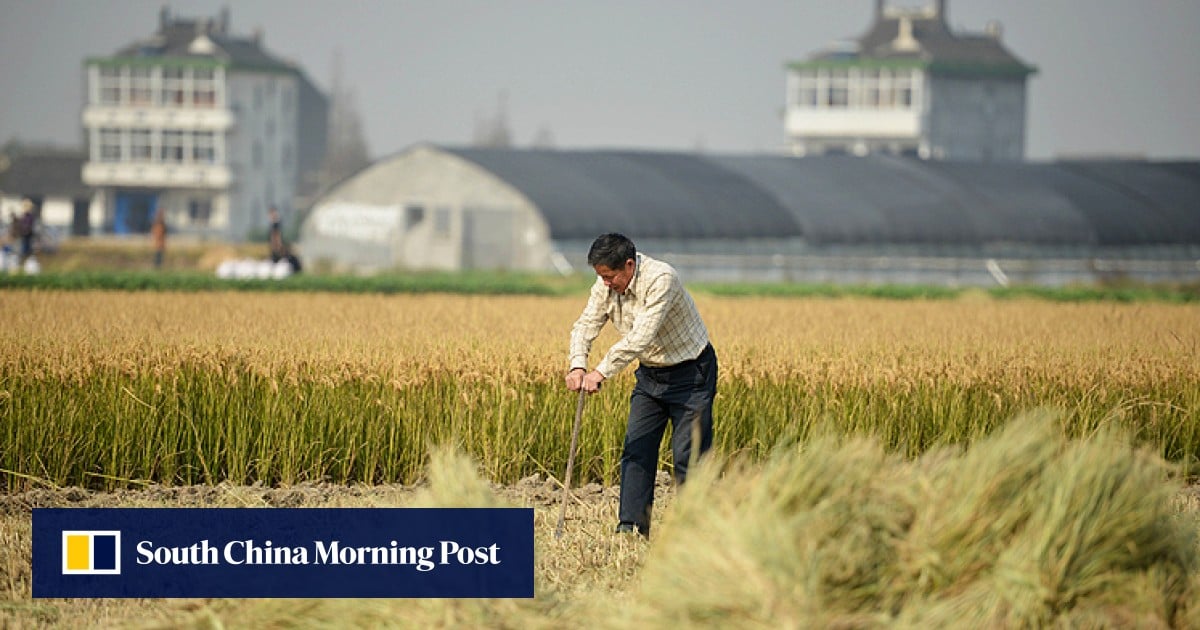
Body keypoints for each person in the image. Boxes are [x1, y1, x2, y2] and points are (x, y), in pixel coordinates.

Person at [566, 233, 717, 538]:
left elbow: (641, 337)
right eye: (600, 277)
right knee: (636, 449)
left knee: (688, 456)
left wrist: (601, 372)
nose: (606, 283)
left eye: (610, 276)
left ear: (629, 265)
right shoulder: (605, 284)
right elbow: (586, 324)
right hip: (650, 374)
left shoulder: (662, 279)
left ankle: (695, 533)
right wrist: (577, 364)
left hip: (692, 374)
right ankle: (631, 528)